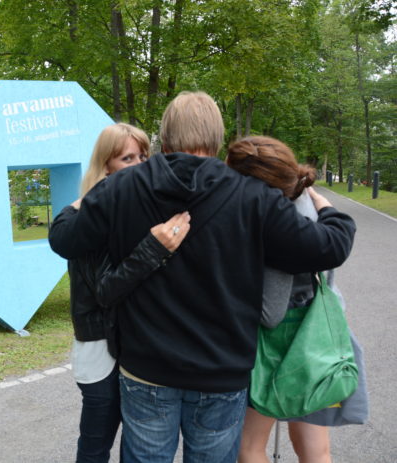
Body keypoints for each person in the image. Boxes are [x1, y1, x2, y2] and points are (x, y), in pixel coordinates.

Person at [48, 91, 356, 463]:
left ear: (165, 135)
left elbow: (63, 237)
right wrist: (326, 205)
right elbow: (330, 247)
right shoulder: (252, 195)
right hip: (221, 373)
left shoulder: (123, 186)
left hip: (147, 369)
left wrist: (89, 195)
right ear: (217, 135)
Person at [227, 137, 366, 463]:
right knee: (316, 448)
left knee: (249, 446)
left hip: (279, 350)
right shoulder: (308, 201)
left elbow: (271, 312)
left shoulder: (276, 218)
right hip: (316, 346)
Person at [66, 122, 191, 463]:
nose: (138, 165)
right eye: (126, 158)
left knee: (138, 446)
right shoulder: (89, 215)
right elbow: (106, 289)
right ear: (106, 165)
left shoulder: (134, 207)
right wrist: (154, 248)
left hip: (133, 344)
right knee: (96, 444)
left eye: (142, 156)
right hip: (100, 349)